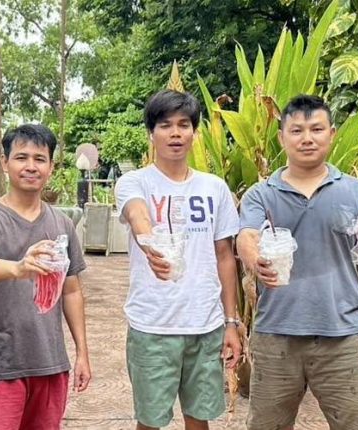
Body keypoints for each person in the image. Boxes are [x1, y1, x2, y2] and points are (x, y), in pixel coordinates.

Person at [237, 95, 358, 430]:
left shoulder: (357, 192)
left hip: (342, 335)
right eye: (297, 130)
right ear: (282, 137)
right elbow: (246, 235)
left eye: (316, 129)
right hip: (276, 335)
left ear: (331, 134)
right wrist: (255, 259)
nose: (307, 138)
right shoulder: (261, 194)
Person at [114, 89, 242, 430]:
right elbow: (138, 214)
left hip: (205, 325)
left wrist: (231, 322)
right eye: (165, 125)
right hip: (152, 325)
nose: (175, 133)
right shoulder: (134, 182)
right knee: (150, 421)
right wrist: (151, 246)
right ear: (151, 133)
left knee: (199, 419)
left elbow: (225, 256)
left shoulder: (214, 188)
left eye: (184, 125)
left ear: (194, 133)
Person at [0, 124, 91, 429]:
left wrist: (82, 353)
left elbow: (71, 290)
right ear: (4, 163)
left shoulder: (62, 224)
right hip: (0, 364)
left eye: (39, 159)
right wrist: (19, 268)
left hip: (51, 363)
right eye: (21, 157)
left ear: (51, 167)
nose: (31, 166)